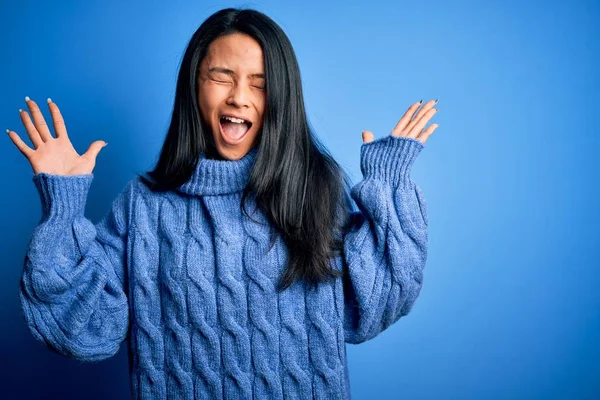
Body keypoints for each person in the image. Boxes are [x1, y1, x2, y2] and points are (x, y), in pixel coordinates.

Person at [7, 7, 438, 400]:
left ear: (281, 98)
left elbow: (374, 305)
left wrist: (390, 187)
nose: (238, 96)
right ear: (194, 84)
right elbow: (86, 331)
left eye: (260, 83)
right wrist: (62, 209)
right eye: (221, 76)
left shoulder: (314, 190)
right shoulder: (143, 206)